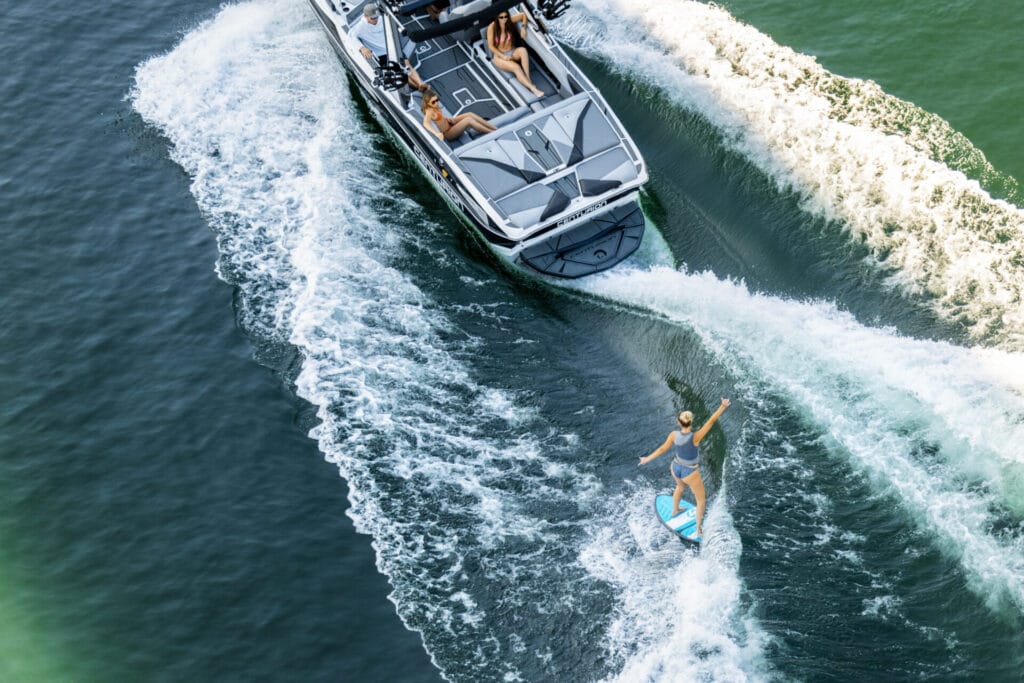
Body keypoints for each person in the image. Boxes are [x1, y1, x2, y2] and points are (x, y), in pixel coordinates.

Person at [639, 398, 731, 537]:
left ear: (679, 422)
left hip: (675, 467)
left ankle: (675, 510)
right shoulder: (695, 437)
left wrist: (647, 459)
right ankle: (699, 530)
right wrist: (723, 406)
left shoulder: (673, 435)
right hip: (690, 472)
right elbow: (711, 421)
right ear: (691, 422)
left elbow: (662, 449)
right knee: (701, 500)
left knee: (680, 487)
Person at [351, 3, 426, 91]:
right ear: (366, 16)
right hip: (381, 54)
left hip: (392, 46)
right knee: (396, 73)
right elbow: (351, 36)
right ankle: (412, 88)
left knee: (407, 64)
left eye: (376, 17)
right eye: (373, 18)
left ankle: (421, 85)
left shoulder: (382, 18)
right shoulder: (360, 26)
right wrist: (362, 47)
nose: (375, 19)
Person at [486, 11, 544, 98]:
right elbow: (491, 46)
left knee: (523, 51)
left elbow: (523, 15)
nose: (504, 19)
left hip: (512, 51)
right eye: (501, 17)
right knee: (516, 67)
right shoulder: (492, 27)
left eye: (505, 16)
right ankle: (533, 89)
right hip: (499, 57)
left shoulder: (509, 21)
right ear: (496, 18)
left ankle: (528, 79)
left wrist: (523, 28)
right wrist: (503, 56)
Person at [421, 88, 497, 141]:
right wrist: (436, 133)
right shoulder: (429, 111)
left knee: (469, 114)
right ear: (428, 103)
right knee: (468, 120)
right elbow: (426, 123)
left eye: (437, 100)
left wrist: (447, 119)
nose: (436, 103)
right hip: (448, 133)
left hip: (449, 123)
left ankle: (494, 128)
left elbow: (439, 120)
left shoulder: (434, 106)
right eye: (433, 102)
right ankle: (492, 133)